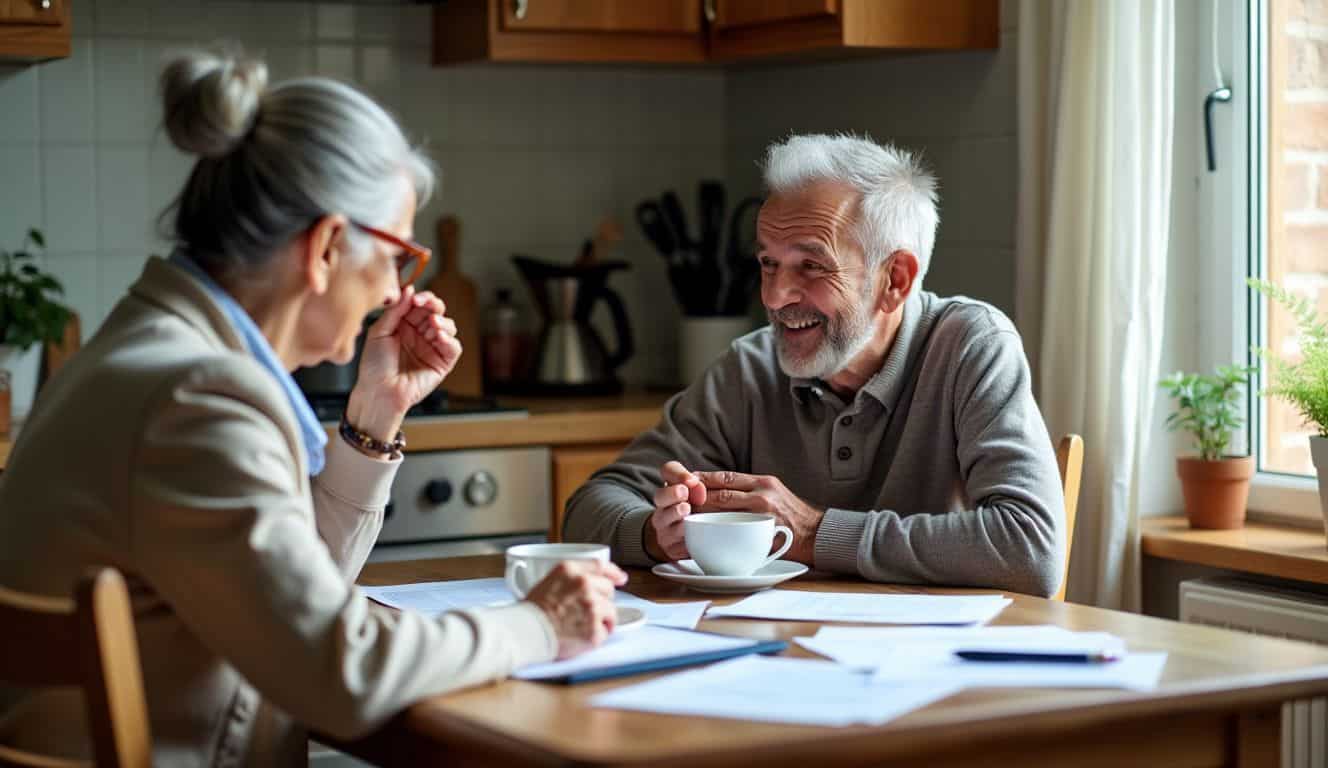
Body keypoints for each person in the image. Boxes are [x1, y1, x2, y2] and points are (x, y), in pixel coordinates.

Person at [0, 49, 625, 765]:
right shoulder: (198, 397)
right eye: (397, 257)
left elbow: (288, 604)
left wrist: (374, 419)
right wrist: (538, 624)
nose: (396, 292)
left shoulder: (146, 350)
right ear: (327, 245)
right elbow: (342, 671)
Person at [564, 134, 1064, 598]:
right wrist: (656, 535)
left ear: (896, 279)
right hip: (782, 658)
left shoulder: (969, 345)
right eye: (768, 263)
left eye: (812, 265)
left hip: (939, 673)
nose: (776, 296)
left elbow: (1031, 549)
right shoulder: (751, 368)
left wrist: (812, 532)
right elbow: (588, 509)